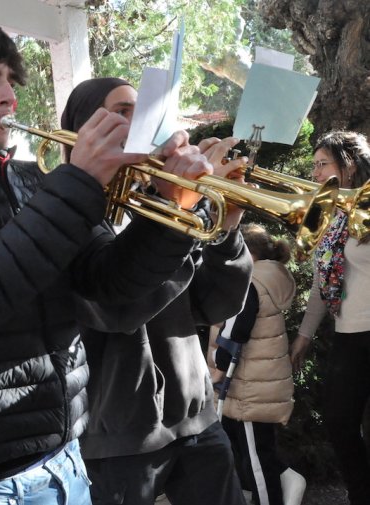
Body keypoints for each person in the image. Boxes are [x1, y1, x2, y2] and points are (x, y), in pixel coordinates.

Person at [0, 13, 222, 504]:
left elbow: (110, 288)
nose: (8, 96)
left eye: (10, 81)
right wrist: (78, 182)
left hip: (65, 455)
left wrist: (169, 207)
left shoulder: (33, 179)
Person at [66, 77, 251, 505]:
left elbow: (216, 304)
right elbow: (117, 310)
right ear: (84, 127)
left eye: (142, 107)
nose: (139, 119)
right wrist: (172, 218)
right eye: (121, 111)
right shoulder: (72, 213)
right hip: (117, 436)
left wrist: (225, 232)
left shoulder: (173, 201)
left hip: (197, 421)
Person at [291, 130, 370, 505]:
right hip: (348, 335)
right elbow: (324, 283)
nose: (315, 174)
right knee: (339, 422)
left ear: (348, 166)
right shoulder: (328, 217)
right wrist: (304, 334)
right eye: (314, 166)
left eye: (323, 165)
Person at [207, 223, 306, 505]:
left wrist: (218, 367)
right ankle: (288, 480)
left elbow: (235, 330)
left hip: (249, 387)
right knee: (249, 448)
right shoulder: (269, 278)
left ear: (246, 253)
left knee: (254, 458)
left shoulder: (250, 283)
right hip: (258, 384)